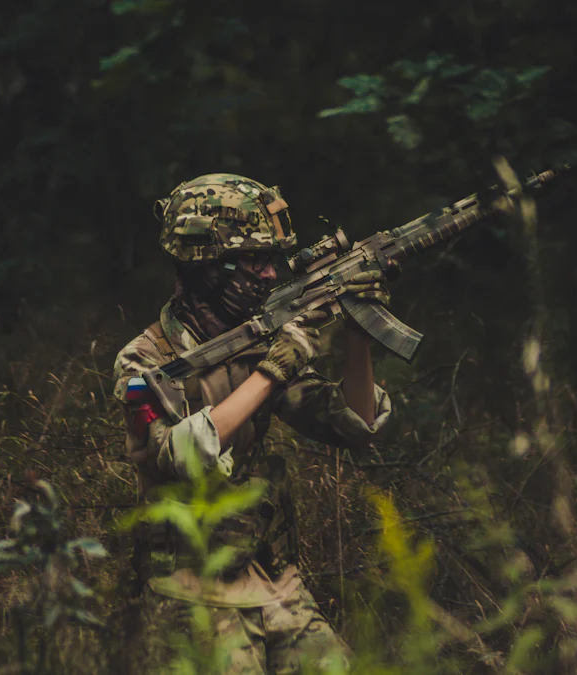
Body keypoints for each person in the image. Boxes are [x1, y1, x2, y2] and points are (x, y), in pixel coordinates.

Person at [113, 173, 393, 674]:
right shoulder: (144, 361)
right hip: (190, 589)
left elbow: (355, 425)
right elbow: (180, 455)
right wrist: (274, 369)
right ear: (206, 267)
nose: (269, 275)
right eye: (254, 261)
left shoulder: (261, 338)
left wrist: (358, 336)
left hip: (274, 581)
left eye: (274, 261)